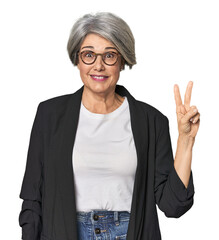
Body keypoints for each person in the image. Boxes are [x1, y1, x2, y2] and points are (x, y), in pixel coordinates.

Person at [18, 12, 200, 240]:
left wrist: (186, 140)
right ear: (77, 60)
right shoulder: (50, 115)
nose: (98, 65)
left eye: (110, 56)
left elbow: (173, 206)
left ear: (122, 60)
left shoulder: (151, 121)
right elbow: (33, 200)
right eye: (88, 55)